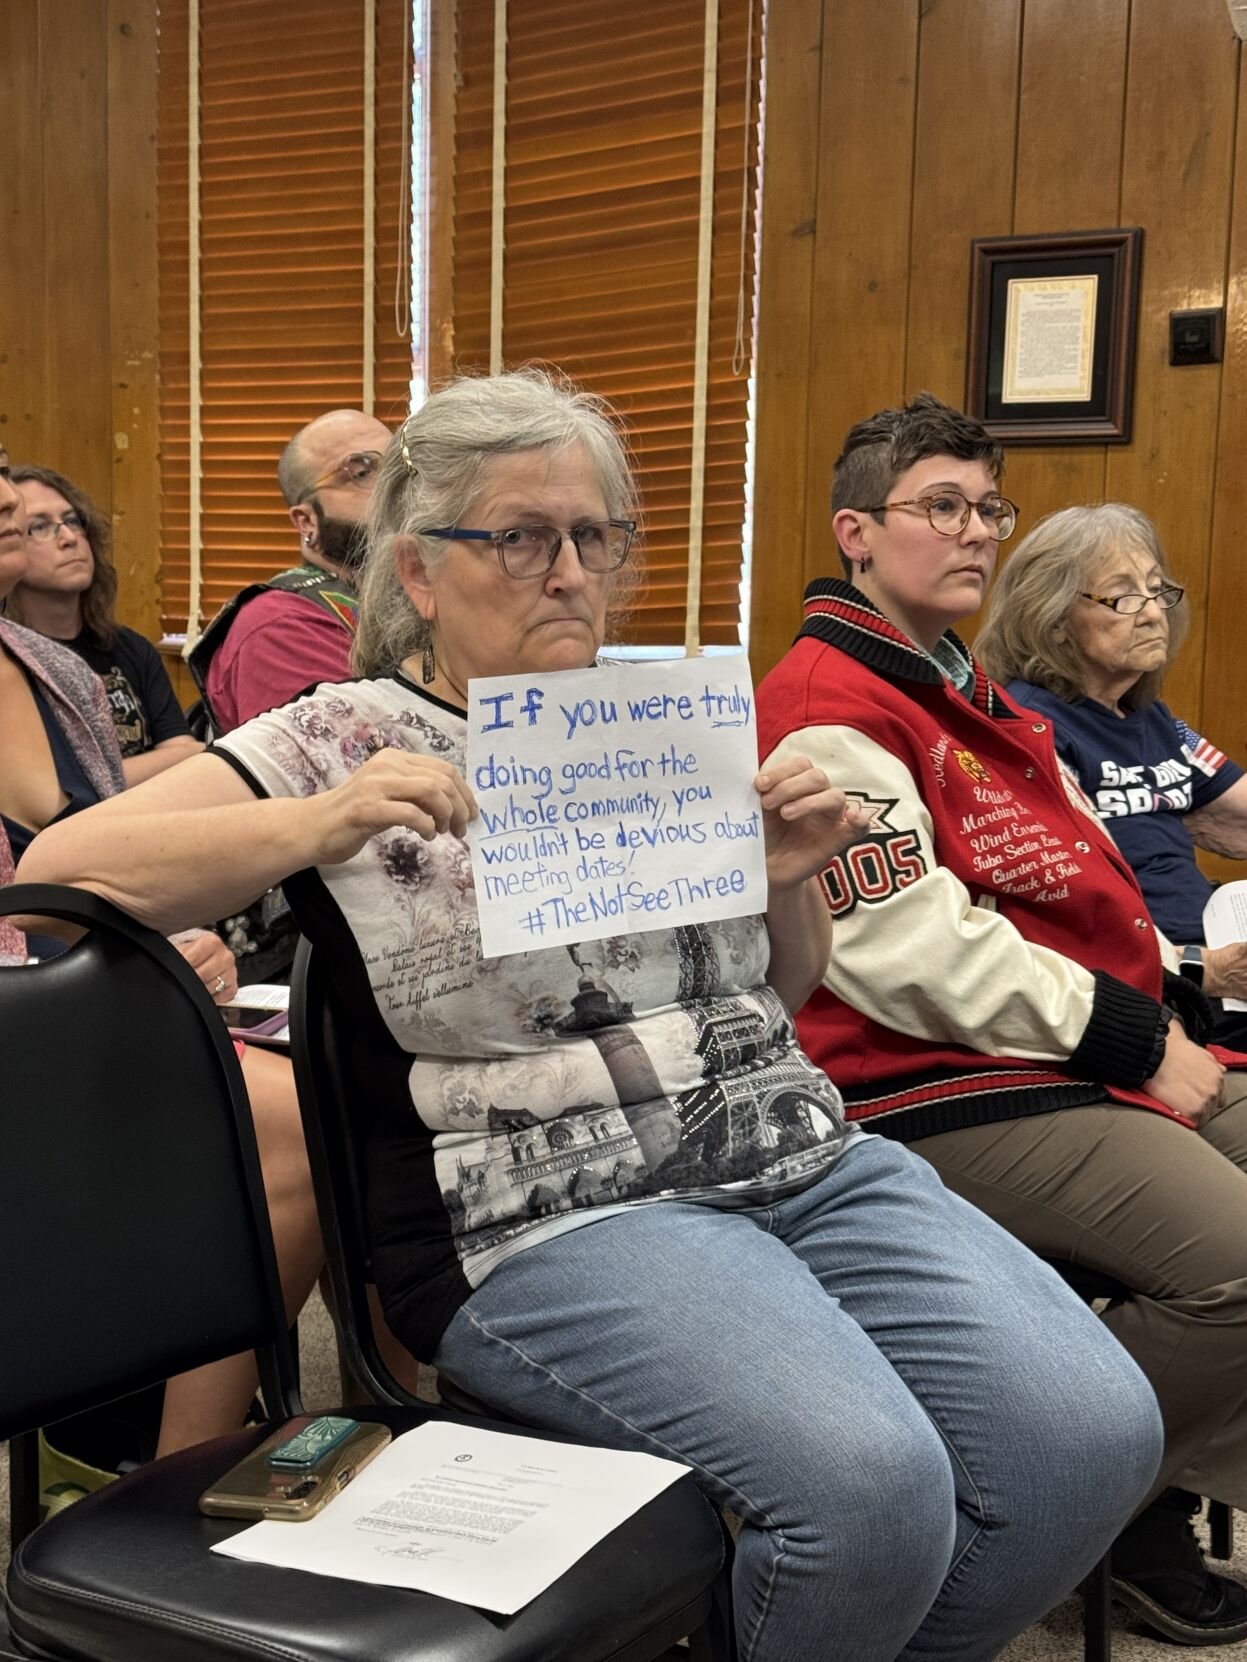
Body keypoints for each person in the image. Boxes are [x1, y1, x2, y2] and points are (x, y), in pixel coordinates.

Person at [21, 371, 1164, 1662]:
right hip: (542, 1202)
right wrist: (312, 823)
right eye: (518, 535)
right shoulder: (343, 732)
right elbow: (54, 878)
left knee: (1092, 1437)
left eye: (594, 536)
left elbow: (769, 996)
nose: (566, 570)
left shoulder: (650, 717)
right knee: (864, 1489)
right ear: (419, 567)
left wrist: (782, 880)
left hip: (793, 1151)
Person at [755, 391, 1247, 1646]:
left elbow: (1068, 893)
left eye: (987, 508)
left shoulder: (960, 683)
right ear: (852, 532)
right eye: (939, 507)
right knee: (1236, 1267)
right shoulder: (832, 701)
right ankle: (1058, 1509)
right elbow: (906, 949)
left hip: (1057, 1047)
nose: (972, 531)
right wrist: (1141, 1040)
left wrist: (1171, 997)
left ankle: (1142, 1483)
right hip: (930, 1085)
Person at [0, 453, 322, 1455]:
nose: (20, 522)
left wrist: (158, 943)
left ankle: (171, 1437)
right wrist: (125, 961)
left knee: (329, 1092)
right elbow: (50, 877)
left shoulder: (53, 663)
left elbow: (71, 872)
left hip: (52, 985)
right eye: (9, 513)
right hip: (32, 1008)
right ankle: (173, 1465)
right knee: (284, 1131)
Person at [976, 502, 1247, 1045]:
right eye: (1124, 596)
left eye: (1156, 590)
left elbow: (1238, 811)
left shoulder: (1152, 717)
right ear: (1052, 622)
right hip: (1156, 992)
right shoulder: (1029, 726)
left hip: (1218, 966)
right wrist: (1203, 968)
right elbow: (1063, 919)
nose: (1152, 613)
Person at [188, 408, 392, 735]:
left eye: (398, 465)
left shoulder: (416, 594)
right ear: (306, 521)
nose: (393, 487)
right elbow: (348, 769)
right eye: (362, 473)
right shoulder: (279, 625)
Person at [2, 463, 202, 785]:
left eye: (71, 521)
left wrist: (97, 780)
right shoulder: (10, 660)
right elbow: (49, 793)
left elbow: (188, 751)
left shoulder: (130, 647)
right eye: (39, 527)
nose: (68, 538)